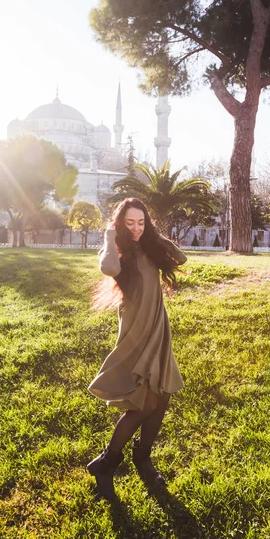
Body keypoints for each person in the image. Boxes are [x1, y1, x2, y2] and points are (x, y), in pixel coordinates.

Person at [87, 197, 187, 501]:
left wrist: (155, 236)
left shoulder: (149, 247)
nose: (135, 228)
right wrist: (109, 235)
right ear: (120, 223)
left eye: (141, 222)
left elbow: (180, 259)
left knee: (163, 395)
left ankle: (142, 458)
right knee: (143, 403)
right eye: (129, 222)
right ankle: (106, 464)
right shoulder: (117, 252)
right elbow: (107, 268)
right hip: (135, 331)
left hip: (158, 326)